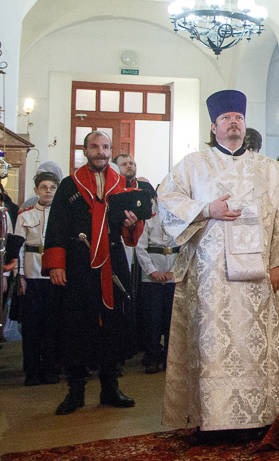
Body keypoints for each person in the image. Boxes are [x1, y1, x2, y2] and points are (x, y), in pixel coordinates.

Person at [157, 90, 279, 441]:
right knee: (212, 345)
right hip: (210, 279)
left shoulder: (270, 169)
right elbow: (167, 200)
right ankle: (211, 422)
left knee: (257, 345)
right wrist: (207, 209)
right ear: (214, 127)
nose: (234, 122)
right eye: (226, 118)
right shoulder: (193, 165)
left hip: (257, 279)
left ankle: (260, 419)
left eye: (238, 117)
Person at [42, 131, 144, 415]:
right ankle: (75, 391)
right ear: (85, 150)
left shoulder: (122, 185)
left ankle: (110, 387)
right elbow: (57, 226)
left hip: (113, 261)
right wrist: (56, 263)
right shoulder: (68, 185)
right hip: (78, 264)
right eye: (94, 147)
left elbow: (130, 235)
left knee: (112, 324)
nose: (100, 151)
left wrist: (132, 222)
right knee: (77, 324)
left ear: (111, 150)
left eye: (105, 147)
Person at [12, 172, 61, 386]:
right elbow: (18, 249)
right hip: (31, 275)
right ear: (36, 191)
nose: (48, 191)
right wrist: (19, 275)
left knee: (52, 325)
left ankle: (51, 368)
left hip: (54, 276)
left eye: (52, 187)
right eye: (44, 187)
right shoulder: (25, 215)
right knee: (32, 326)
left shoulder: (62, 216)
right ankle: (32, 371)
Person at [135, 192, 177, 374]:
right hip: (152, 277)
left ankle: (171, 358)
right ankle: (152, 357)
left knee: (171, 319)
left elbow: (186, 248)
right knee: (152, 319)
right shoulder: (148, 220)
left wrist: (173, 272)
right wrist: (152, 271)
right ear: (156, 200)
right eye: (162, 198)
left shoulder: (180, 222)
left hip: (172, 276)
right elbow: (140, 247)